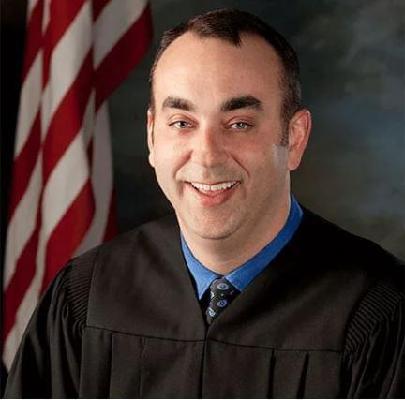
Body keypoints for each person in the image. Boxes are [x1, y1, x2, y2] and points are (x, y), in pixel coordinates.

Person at [5, 8, 405, 398]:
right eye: (182, 123)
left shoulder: (378, 315)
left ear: (295, 138)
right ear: (152, 136)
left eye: (239, 124)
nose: (207, 156)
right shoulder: (85, 300)